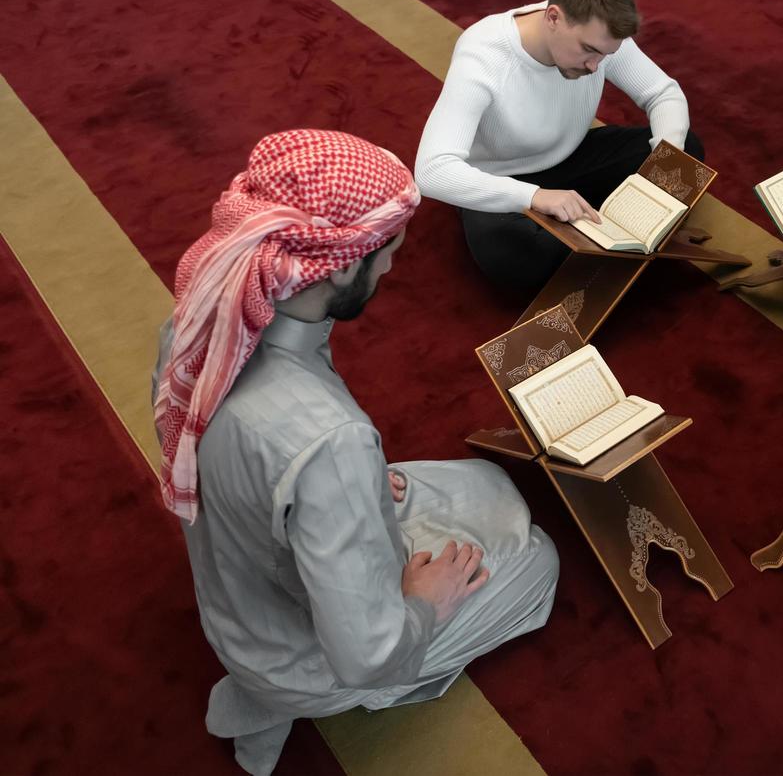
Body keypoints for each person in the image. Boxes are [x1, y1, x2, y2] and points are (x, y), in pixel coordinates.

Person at [152, 130, 558, 775]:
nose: (393, 267)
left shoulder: (203, 316)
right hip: (307, 654)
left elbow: (238, 459)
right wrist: (426, 602)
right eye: (388, 250)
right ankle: (282, 702)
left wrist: (355, 491)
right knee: (538, 559)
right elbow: (367, 651)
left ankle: (266, 689)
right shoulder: (332, 443)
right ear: (340, 264)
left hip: (243, 584)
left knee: (489, 481)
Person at [415, 0, 701, 291]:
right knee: (514, 257)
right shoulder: (484, 55)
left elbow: (663, 94)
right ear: (553, 17)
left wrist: (667, 156)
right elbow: (431, 171)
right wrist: (534, 196)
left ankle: (596, 253)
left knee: (685, 150)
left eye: (605, 55)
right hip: (501, 180)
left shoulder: (600, 38)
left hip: (571, 158)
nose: (596, 67)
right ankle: (624, 240)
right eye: (589, 51)